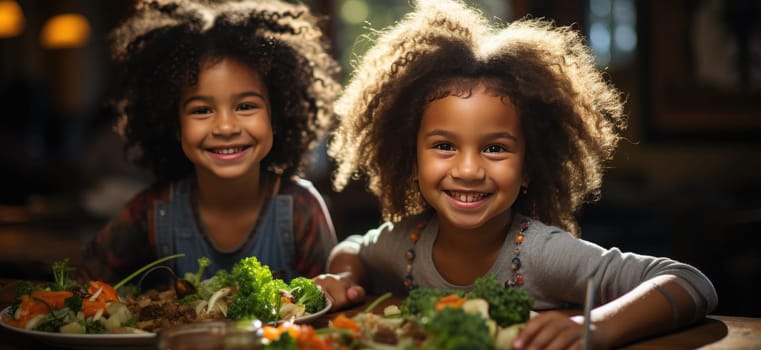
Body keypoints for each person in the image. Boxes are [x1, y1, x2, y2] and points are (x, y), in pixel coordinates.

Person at [314, 0, 718, 348]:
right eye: (444, 146)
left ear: (529, 167)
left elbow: (689, 282)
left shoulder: (541, 255)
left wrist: (594, 327)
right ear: (411, 159)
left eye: (495, 148)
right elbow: (351, 250)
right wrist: (345, 277)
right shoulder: (406, 243)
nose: (469, 170)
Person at [82, 0, 340, 284]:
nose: (226, 127)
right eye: (202, 110)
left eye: (245, 106)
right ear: (175, 125)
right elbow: (82, 287)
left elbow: (331, 306)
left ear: (276, 116)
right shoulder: (151, 213)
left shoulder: (301, 210)